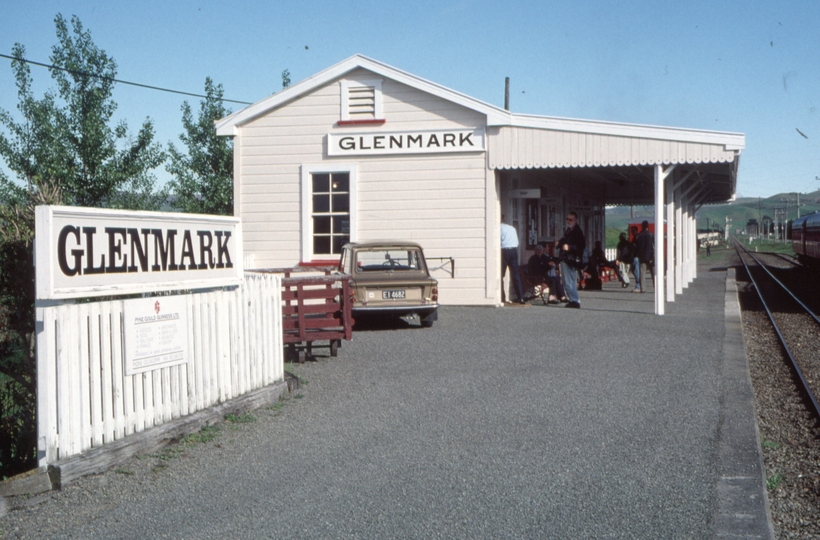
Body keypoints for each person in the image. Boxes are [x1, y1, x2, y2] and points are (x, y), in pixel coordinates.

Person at [558, 211, 585, 309]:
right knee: (567, 281)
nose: (568, 221)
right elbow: (564, 240)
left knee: (569, 281)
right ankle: (572, 299)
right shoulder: (569, 230)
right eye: (567, 219)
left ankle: (574, 300)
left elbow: (581, 245)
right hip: (566, 258)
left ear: (575, 220)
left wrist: (569, 247)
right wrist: (559, 243)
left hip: (571, 259)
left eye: (570, 219)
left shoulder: (577, 231)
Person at [500, 216, 526, 304]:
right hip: (514, 251)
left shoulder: (498, 228)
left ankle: (501, 297)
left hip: (504, 251)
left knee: (500, 275)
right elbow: (517, 241)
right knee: (515, 275)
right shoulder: (512, 228)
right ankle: (521, 298)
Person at [634, 220, 655, 293]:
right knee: (653, 272)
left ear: (642, 226)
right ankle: (656, 287)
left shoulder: (639, 235)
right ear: (647, 226)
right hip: (650, 256)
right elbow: (653, 245)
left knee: (642, 272)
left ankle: (643, 288)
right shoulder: (651, 235)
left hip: (642, 256)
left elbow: (637, 246)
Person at [629, 225, 641, 292]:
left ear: (636, 230)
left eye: (633, 231)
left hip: (636, 257)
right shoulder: (635, 238)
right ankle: (639, 285)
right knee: (635, 271)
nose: (632, 232)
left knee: (637, 271)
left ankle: (638, 286)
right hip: (635, 256)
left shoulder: (637, 238)